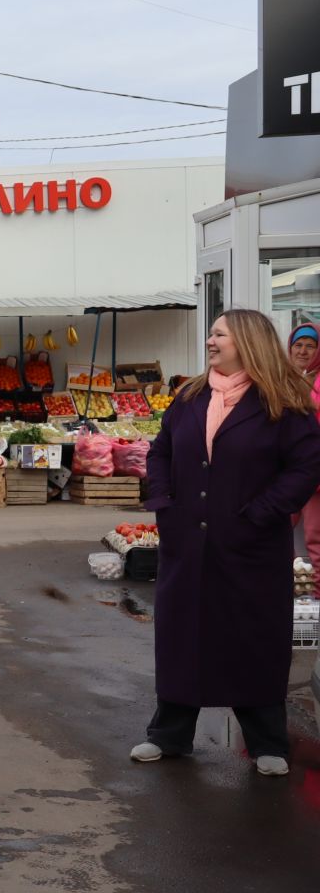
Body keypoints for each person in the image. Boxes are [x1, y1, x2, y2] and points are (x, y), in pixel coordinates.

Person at [133, 308, 320, 775]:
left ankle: (268, 742)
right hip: (186, 539)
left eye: (219, 334)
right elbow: (161, 452)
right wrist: (163, 502)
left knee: (252, 636)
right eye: (211, 334)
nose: (210, 341)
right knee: (183, 634)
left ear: (247, 341)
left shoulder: (283, 400)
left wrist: (263, 512)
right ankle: (169, 734)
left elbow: (306, 466)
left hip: (252, 544)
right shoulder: (190, 396)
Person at [286, 323, 320, 562]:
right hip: (286, 470)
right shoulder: (281, 379)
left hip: (314, 472)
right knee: (277, 528)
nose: (303, 351)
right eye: (298, 345)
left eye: (310, 346)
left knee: (314, 536)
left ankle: (317, 593)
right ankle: (285, 586)